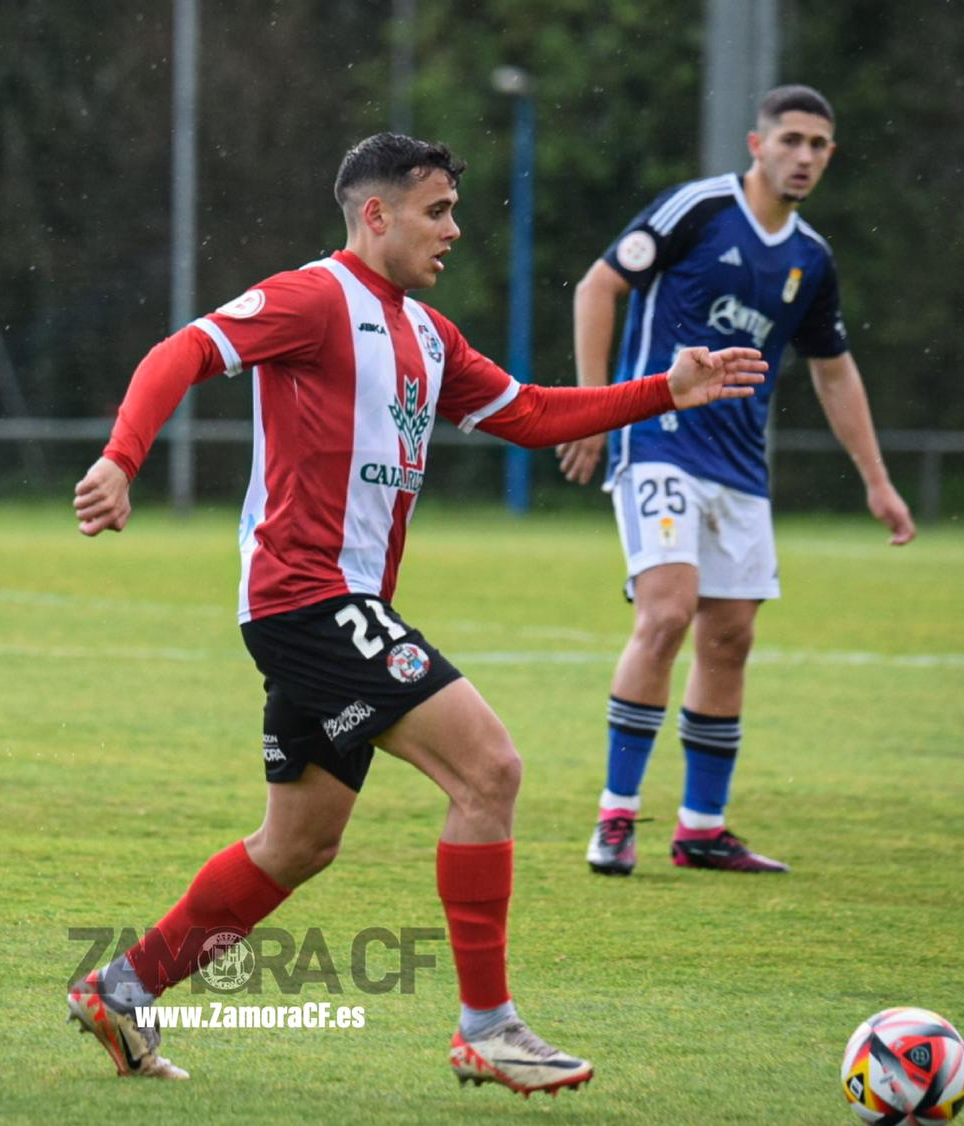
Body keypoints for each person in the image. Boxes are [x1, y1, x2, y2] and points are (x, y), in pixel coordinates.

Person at [66, 132, 767, 1095]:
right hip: (306, 599)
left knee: (300, 842)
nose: (455, 229)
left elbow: (532, 415)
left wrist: (665, 391)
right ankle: (488, 1028)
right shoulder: (314, 298)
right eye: (437, 210)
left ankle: (120, 988)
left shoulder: (430, 338)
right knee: (491, 769)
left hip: (337, 607)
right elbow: (182, 351)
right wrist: (121, 456)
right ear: (375, 213)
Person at [557, 85, 915, 878]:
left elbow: (833, 370)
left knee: (731, 636)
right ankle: (616, 818)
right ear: (757, 145)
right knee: (668, 613)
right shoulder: (698, 209)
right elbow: (598, 286)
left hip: (740, 468)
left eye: (819, 145)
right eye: (791, 139)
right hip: (657, 441)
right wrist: (593, 411)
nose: (804, 156)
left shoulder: (810, 259)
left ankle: (701, 830)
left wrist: (877, 480)